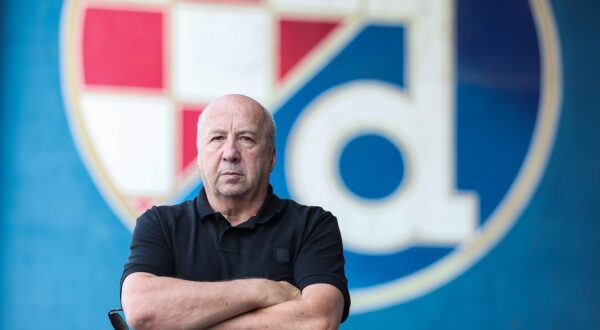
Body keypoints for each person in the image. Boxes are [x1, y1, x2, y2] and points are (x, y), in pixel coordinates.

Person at [120, 94, 350, 329]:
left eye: (246, 139)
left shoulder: (313, 225)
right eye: (217, 138)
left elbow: (317, 321)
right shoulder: (160, 223)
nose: (230, 153)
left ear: (271, 158)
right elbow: (141, 310)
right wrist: (265, 290)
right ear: (199, 157)